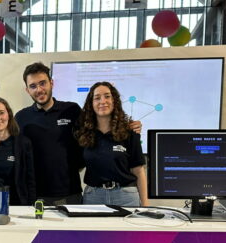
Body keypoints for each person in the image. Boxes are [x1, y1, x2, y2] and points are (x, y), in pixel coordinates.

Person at [15, 62, 141, 206]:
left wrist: (128, 126)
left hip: (70, 194)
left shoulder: (72, 110)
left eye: (43, 83)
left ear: (51, 83)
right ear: (27, 90)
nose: (39, 89)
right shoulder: (21, 118)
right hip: (34, 196)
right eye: (33, 86)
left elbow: (98, 125)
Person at [75, 81, 147, 207]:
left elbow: (139, 171)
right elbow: (78, 166)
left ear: (114, 101)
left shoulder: (129, 132)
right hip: (93, 197)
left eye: (107, 96)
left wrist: (146, 206)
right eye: (97, 98)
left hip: (126, 197)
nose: (103, 101)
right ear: (91, 104)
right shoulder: (84, 134)